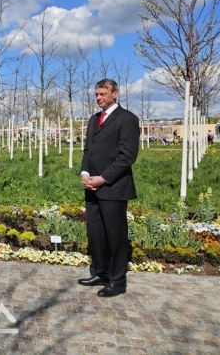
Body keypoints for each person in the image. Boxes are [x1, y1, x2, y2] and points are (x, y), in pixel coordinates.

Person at [78, 79, 139, 298]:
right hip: (91, 187)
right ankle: (101, 272)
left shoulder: (128, 119)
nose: (98, 98)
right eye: (96, 94)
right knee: (96, 234)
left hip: (113, 187)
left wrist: (102, 178)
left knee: (115, 235)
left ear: (115, 94)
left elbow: (127, 156)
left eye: (103, 93)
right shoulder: (94, 119)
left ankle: (118, 280)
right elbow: (88, 150)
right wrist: (85, 173)